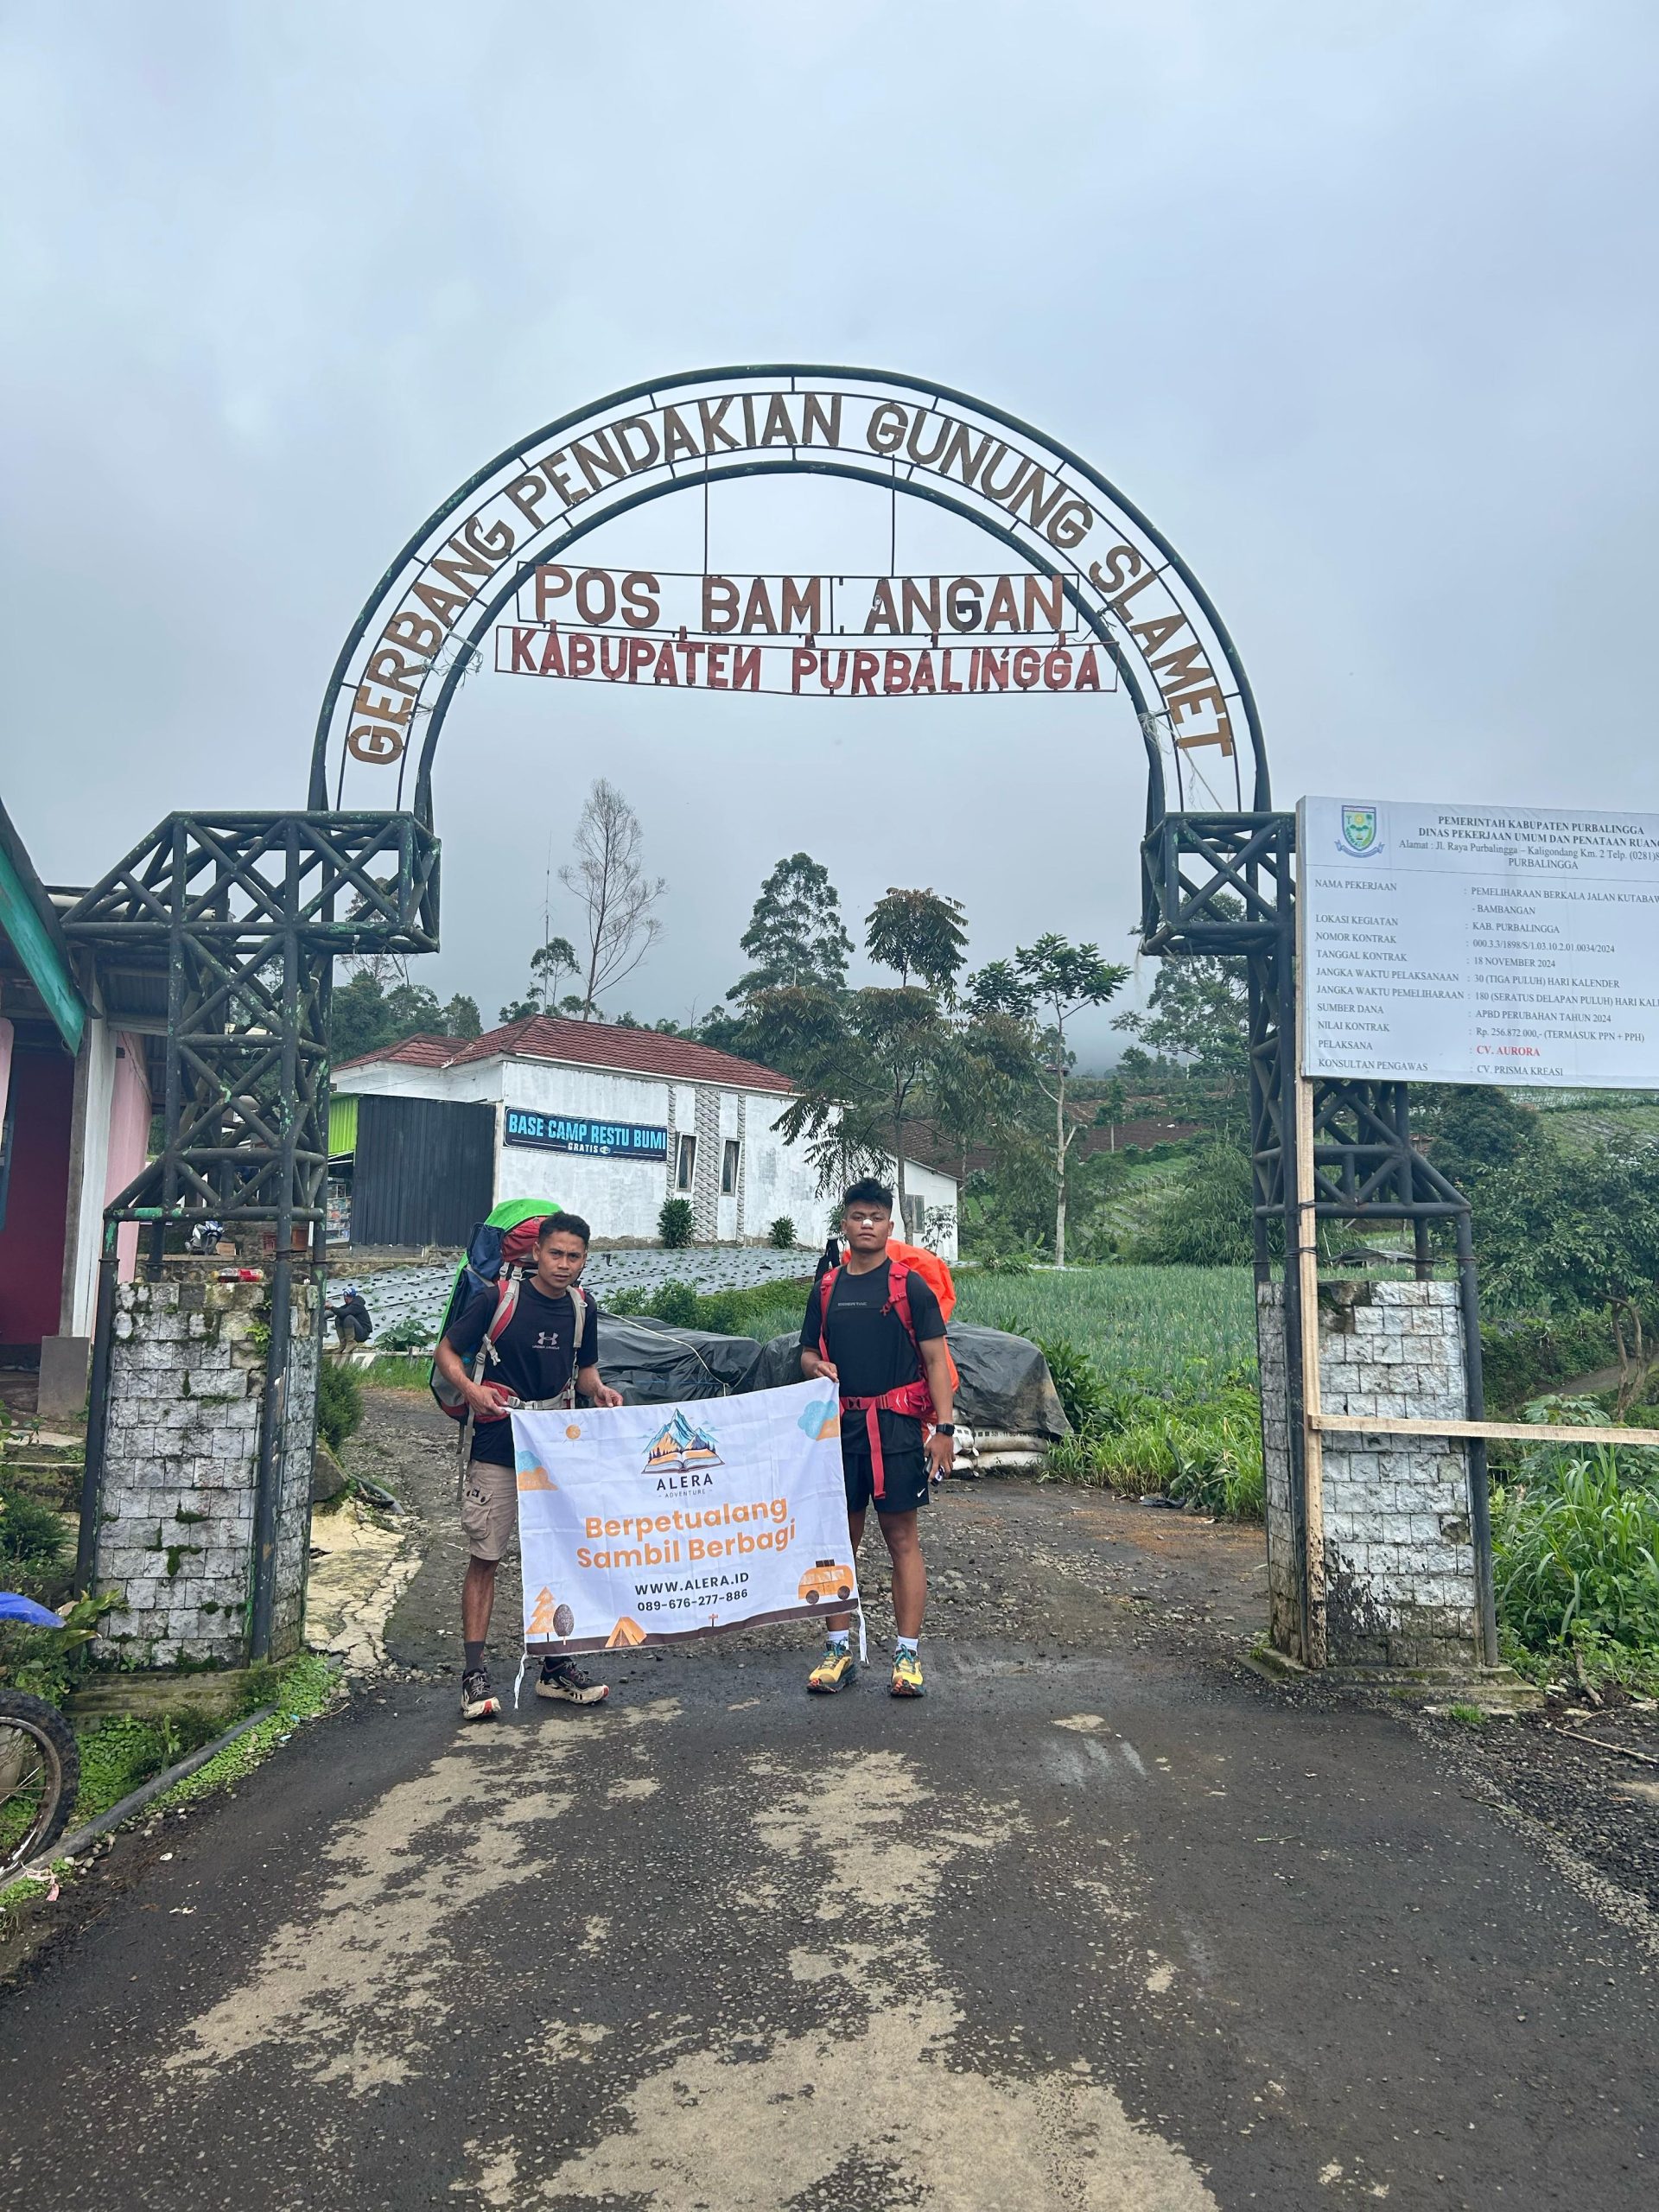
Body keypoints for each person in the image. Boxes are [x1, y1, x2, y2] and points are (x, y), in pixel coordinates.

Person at [434, 1211, 623, 1720]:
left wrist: (600, 1391)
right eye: (556, 1253)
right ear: (536, 1252)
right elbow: (446, 1350)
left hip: (556, 1447)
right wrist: (471, 1391)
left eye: (574, 1256)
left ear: (586, 1260)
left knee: (560, 1556)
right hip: (498, 1440)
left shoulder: (583, 1308)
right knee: (487, 1553)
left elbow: (584, 1374)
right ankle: (474, 1674)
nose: (564, 1265)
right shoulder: (498, 1298)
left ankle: (555, 1667)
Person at [798, 1177, 955, 1698]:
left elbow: (935, 1359)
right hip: (840, 1430)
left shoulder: (909, 1286)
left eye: (876, 1217)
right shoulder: (826, 1288)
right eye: (857, 1216)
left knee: (902, 1540)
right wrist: (815, 1365)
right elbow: (805, 1355)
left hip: (896, 1431)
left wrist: (944, 1430)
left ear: (890, 1225)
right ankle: (838, 1651)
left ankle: (906, 1658)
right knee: (838, 1543)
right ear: (844, 1223)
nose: (866, 1224)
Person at [325, 1285, 372, 1359]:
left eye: (347, 1299)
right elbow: (340, 1311)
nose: (346, 1300)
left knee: (348, 1318)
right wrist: (330, 1308)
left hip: (363, 1333)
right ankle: (343, 1343)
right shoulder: (349, 1305)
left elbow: (344, 1313)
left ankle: (351, 1342)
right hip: (356, 1332)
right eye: (345, 1299)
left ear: (352, 1297)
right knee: (338, 1318)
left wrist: (331, 1307)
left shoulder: (357, 1305)